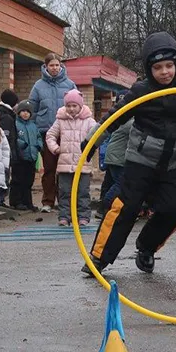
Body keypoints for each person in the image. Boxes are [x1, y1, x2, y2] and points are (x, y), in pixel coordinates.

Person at [86, 32, 176, 275]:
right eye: (157, 67)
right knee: (125, 207)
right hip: (141, 159)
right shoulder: (140, 90)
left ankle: (146, 247)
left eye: (169, 66)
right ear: (148, 68)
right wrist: (91, 141)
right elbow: (114, 117)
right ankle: (99, 258)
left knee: (175, 210)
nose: (164, 72)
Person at [29, 54, 77, 213]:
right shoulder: (38, 86)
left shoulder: (70, 84)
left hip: (66, 133)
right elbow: (32, 109)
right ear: (46, 67)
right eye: (51, 65)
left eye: (57, 65)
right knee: (49, 168)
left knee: (65, 168)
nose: (55, 68)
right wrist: (35, 130)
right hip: (46, 132)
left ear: (61, 66)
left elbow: (78, 106)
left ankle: (66, 201)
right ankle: (48, 201)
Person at [45, 89, 98, 227]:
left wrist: (90, 150)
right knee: (64, 192)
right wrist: (56, 148)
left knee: (83, 192)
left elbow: (97, 135)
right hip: (65, 164)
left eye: (74, 105)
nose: (71, 109)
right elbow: (50, 135)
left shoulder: (89, 121)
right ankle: (64, 217)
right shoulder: (60, 120)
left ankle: (83, 217)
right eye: (68, 106)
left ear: (80, 106)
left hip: (83, 164)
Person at [9, 100, 42, 210]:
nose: (25, 113)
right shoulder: (15, 124)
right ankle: (16, 201)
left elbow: (38, 137)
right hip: (20, 157)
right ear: (18, 112)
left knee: (29, 181)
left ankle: (27, 202)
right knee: (18, 180)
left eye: (27, 112)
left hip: (31, 157)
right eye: (23, 111)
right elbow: (14, 138)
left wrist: (39, 146)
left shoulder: (33, 125)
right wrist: (22, 145)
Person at [101, 119, 132, 215]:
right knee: (120, 184)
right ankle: (107, 205)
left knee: (114, 183)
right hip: (118, 158)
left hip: (115, 156)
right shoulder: (131, 122)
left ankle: (106, 208)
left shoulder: (124, 119)